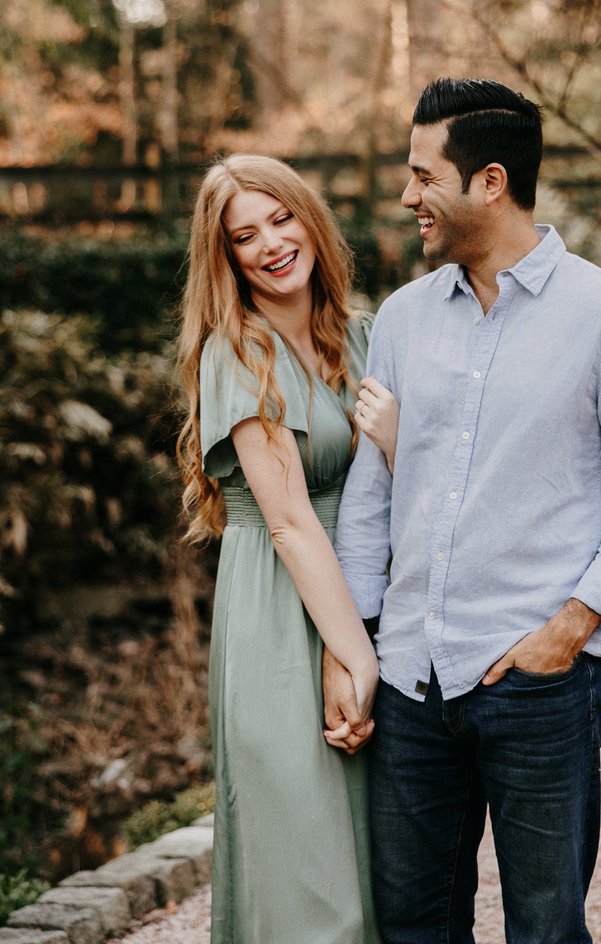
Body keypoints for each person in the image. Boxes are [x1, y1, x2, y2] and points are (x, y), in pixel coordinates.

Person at [327, 78, 601, 944]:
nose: (407, 196)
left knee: (547, 928)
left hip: (538, 687)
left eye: (422, 175)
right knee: (415, 926)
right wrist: (358, 647)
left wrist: (569, 630)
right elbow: (372, 500)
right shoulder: (403, 321)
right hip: (411, 681)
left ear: (489, 182)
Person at [176, 154, 397, 944]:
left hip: (365, 595)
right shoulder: (236, 353)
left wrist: (400, 444)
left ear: (311, 220)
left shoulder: (366, 337)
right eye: (245, 235)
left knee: (381, 865)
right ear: (225, 257)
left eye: (281, 218)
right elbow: (290, 523)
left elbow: (414, 486)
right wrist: (352, 655)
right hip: (280, 610)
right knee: (308, 866)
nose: (271, 243)